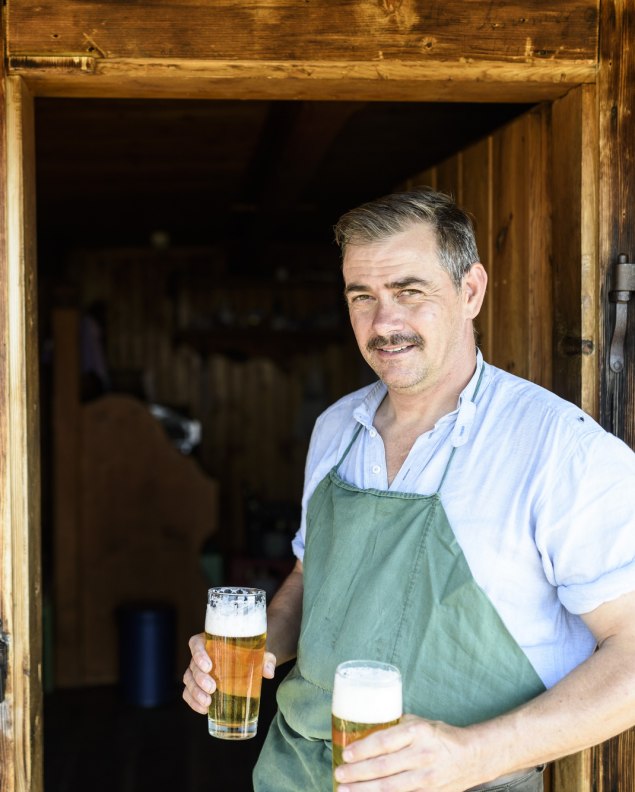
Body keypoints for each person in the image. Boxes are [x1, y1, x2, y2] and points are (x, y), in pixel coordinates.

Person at [182, 188, 635, 791]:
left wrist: (473, 754)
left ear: (470, 291)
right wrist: (255, 650)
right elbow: (311, 576)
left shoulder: (560, 448)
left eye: (408, 292)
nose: (383, 322)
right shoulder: (336, 427)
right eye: (362, 297)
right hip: (294, 774)